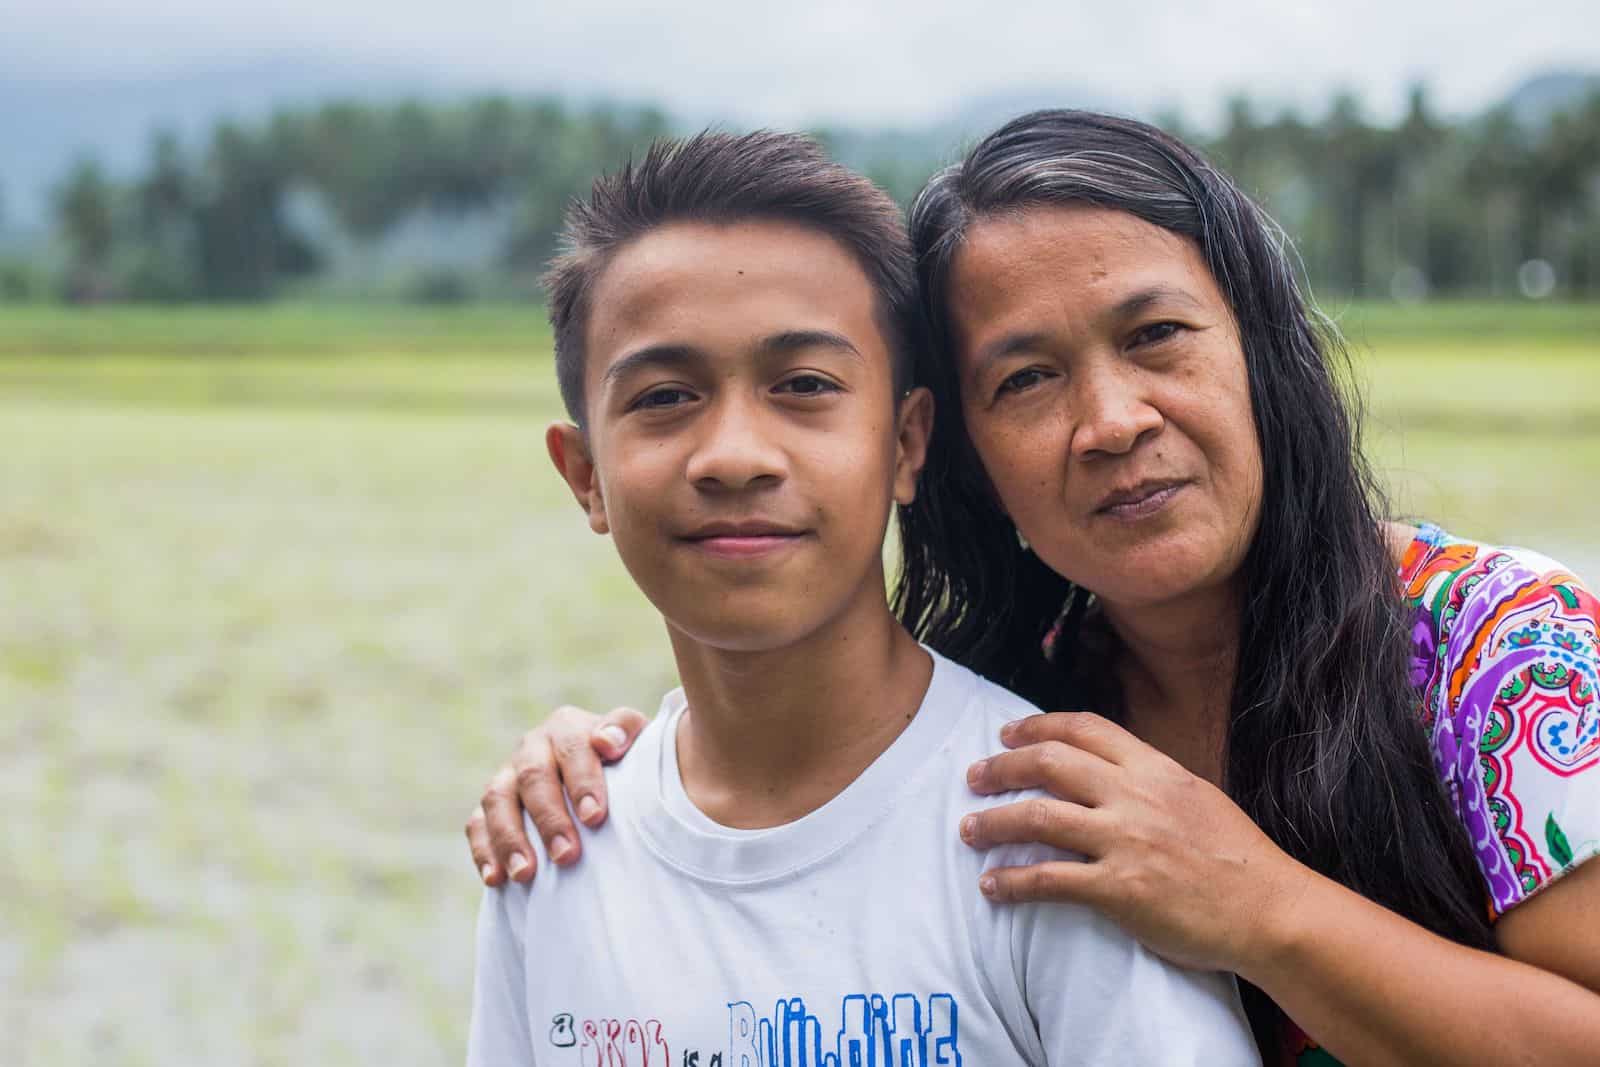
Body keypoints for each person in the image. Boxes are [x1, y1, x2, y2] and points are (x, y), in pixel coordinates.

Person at [466, 111, 1600, 1065]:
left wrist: (1262, 907)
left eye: (1155, 336)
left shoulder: (1497, 649)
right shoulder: (1028, 723)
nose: (1110, 423)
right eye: (1026, 378)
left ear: (1261, 351)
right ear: (957, 450)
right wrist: (593, 768)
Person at [466, 128, 1260, 1066]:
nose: (734, 457)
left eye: (804, 385)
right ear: (585, 474)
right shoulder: (553, 845)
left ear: (907, 443)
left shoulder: (1059, 831)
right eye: (664, 397)